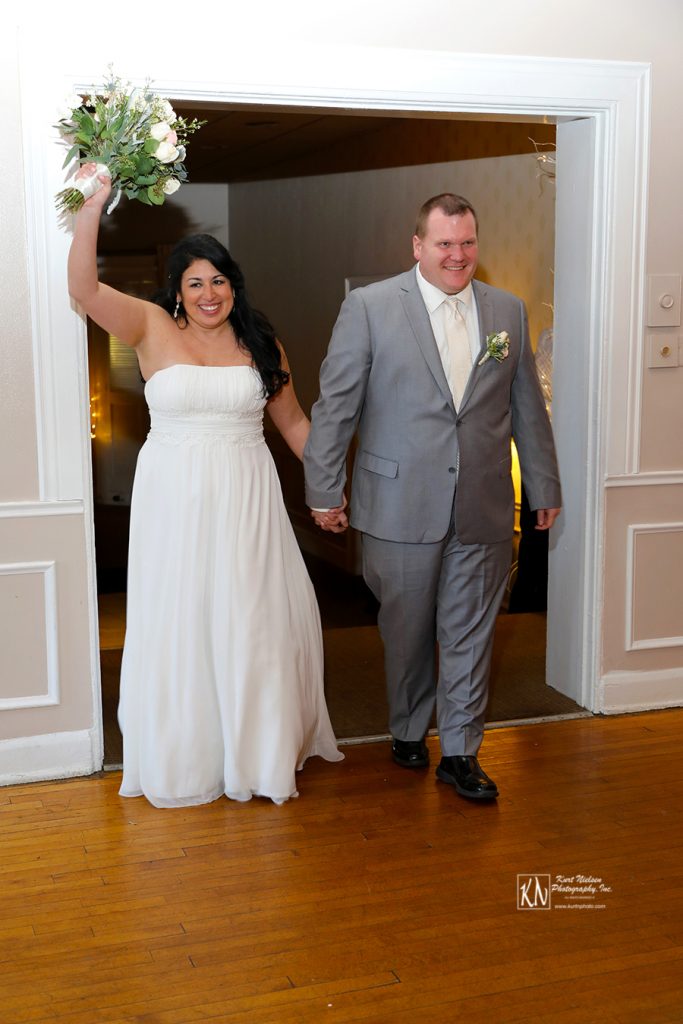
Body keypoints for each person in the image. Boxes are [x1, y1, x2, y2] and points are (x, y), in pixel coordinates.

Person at [68, 164, 343, 808]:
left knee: (250, 619)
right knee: (182, 619)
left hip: (248, 498)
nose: (209, 292)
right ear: (178, 292)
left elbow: (296, 423)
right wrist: (92, 205)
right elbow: (82, 286)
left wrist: (331, 487)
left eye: (218, 279)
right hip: (174, 503)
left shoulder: (260, 343)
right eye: (195, 283)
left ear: (232, 286)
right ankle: (188, 752)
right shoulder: (147, 327)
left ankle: (256, 752)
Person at [303, 193, 561, 802]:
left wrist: (543, 486)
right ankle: (408, 727)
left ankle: (462, 753)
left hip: (484, 503)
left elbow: (526, 406)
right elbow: (336, 406)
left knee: (472, 631)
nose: (458, 255)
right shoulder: (368, 308)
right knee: (408, 630)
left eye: (467, 243)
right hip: (396, 504)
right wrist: (323, 488)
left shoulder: (508, 311)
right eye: (444, 243)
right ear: (418, 245)